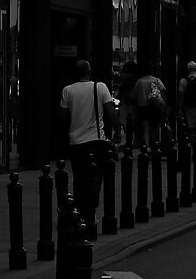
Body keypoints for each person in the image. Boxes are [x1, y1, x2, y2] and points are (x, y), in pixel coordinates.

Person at [60, 57, 115, 230]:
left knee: (79, 177)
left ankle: (78, 210)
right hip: (95, 140)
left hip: (76, 141)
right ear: (89, 72)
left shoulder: (67, 91)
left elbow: (62, 116)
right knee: (96, 176)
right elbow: (110, 111)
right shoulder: (99, 87)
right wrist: (117, 130)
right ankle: (90, 211)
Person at [128, 63, 168, 156]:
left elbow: (132, 95)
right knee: (155, 127)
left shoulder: (140, 81)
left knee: (145, 128)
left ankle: (146, 146)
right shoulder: (156, 80)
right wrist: (164, 106)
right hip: (155, 107)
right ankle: (155, 145)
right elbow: (163, 92)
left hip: (143, 107)